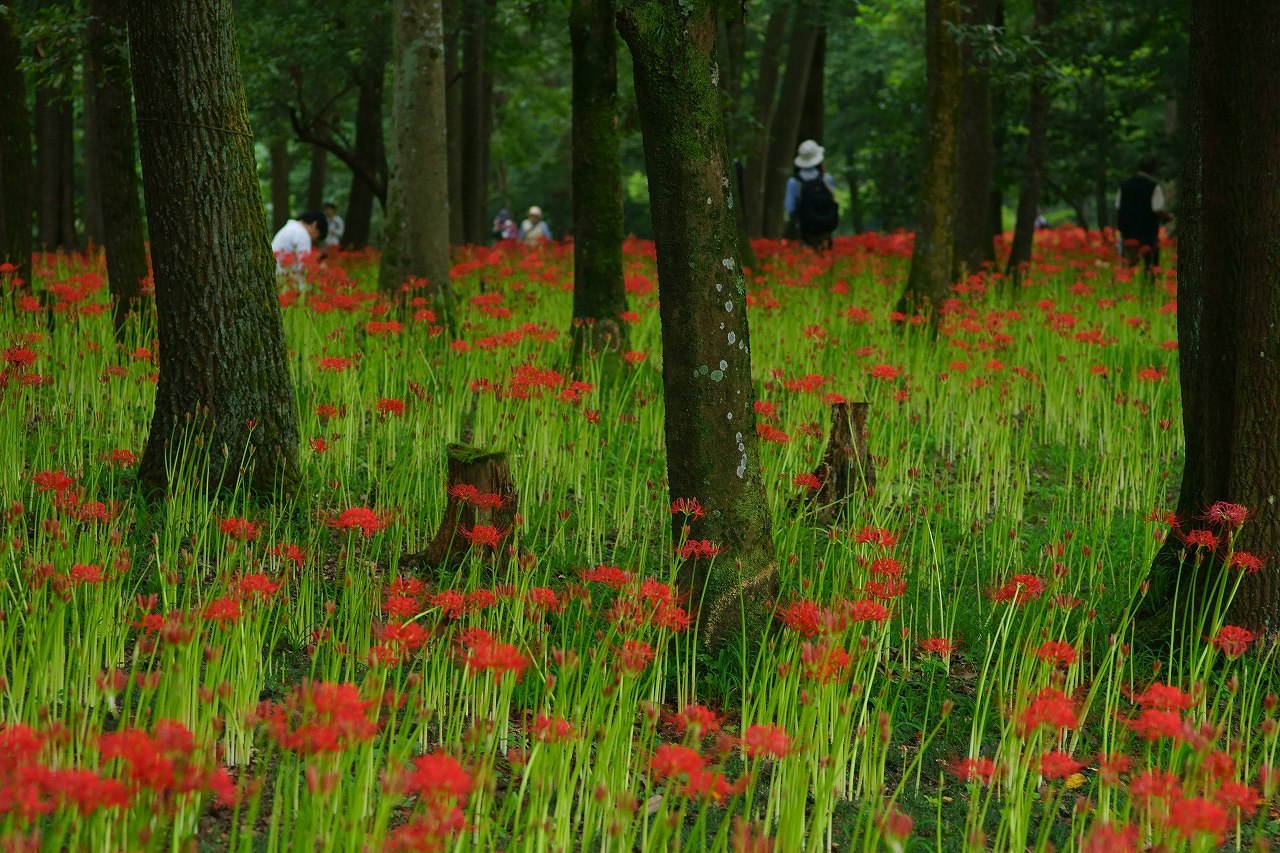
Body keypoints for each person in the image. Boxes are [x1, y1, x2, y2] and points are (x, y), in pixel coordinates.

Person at [1115, 156, 1173, 273]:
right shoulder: (1153, 186)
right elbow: (1157, 209)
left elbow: (1118, 207)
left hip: (1128, 232)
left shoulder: (1124, 185)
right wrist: (1168, 217)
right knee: (1150, 266)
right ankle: (1150, 287)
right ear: (1153, 170)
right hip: (1147, 233)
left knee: (1128, 266)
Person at [785, 139, 839, 251]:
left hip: (806, 230)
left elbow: (790, 208)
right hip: (827, 228)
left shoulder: (794, 182)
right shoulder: (826, 178)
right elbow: (834, 201)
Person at [271, 210, 327, 276]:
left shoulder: (290, 228)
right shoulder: (302, 234)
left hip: (275, 273)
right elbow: (303, 267)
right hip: (283, 277)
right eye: (318, 235)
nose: (314, 239)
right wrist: (319, 268)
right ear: (315, 225)